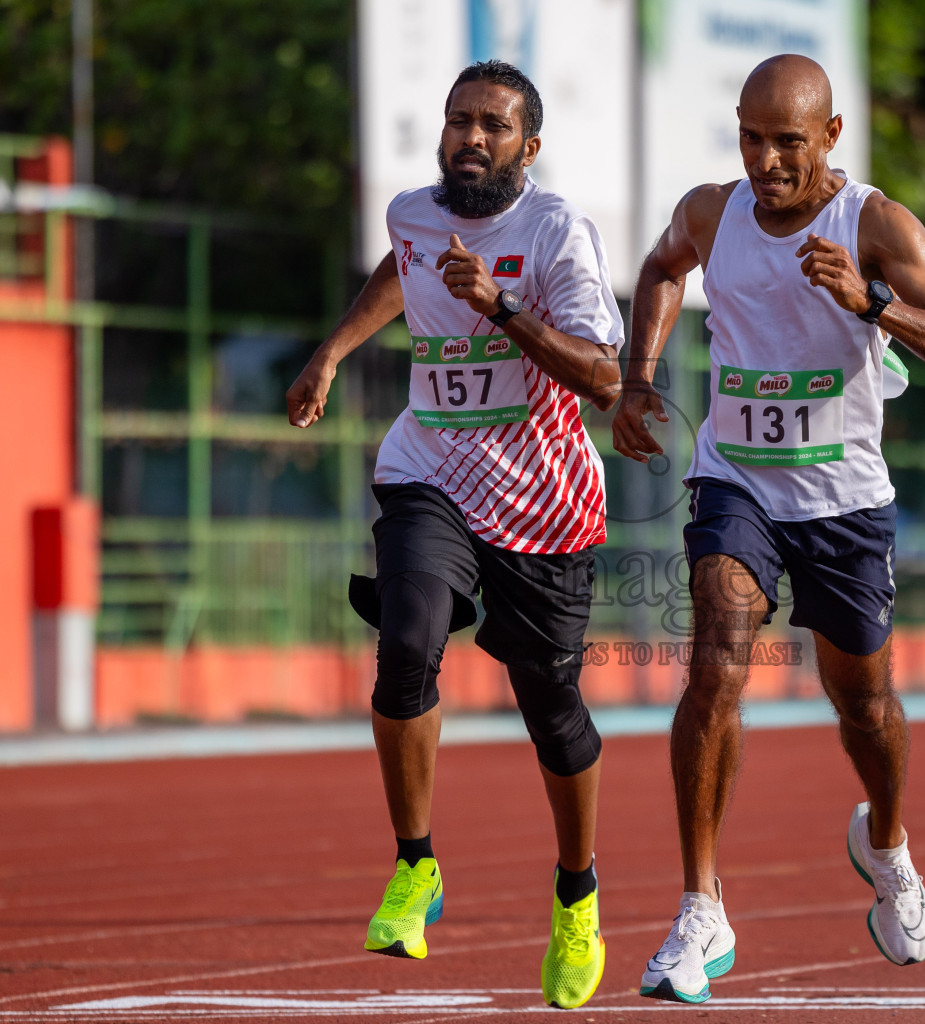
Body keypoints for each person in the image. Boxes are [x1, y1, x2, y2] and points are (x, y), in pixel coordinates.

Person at [611, 54, 925, 1004]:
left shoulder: (876, 224)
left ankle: (888, 844)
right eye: (752, 136)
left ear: (831, 137)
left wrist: (874, 302)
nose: (768, 160)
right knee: (716, 667)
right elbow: (661, 266)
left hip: (845, 501)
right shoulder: (714, 212)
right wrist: (641, 375)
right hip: (736, 481)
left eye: (789, 140)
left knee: (864, 707)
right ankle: (702, 907)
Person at [287, 60, 622, 1010]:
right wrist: (331, 353)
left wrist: (500, 308)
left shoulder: (557, 233)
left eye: (493, 125)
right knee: (406, 645)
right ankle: (415, 866)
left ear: (529, 145)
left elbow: (602, 374)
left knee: (550, 710)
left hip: (542, 498)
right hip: (430, 467)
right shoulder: (413, 215)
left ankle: (576, 894)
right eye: (458, 120)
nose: (471, 138)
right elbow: (402, 270)